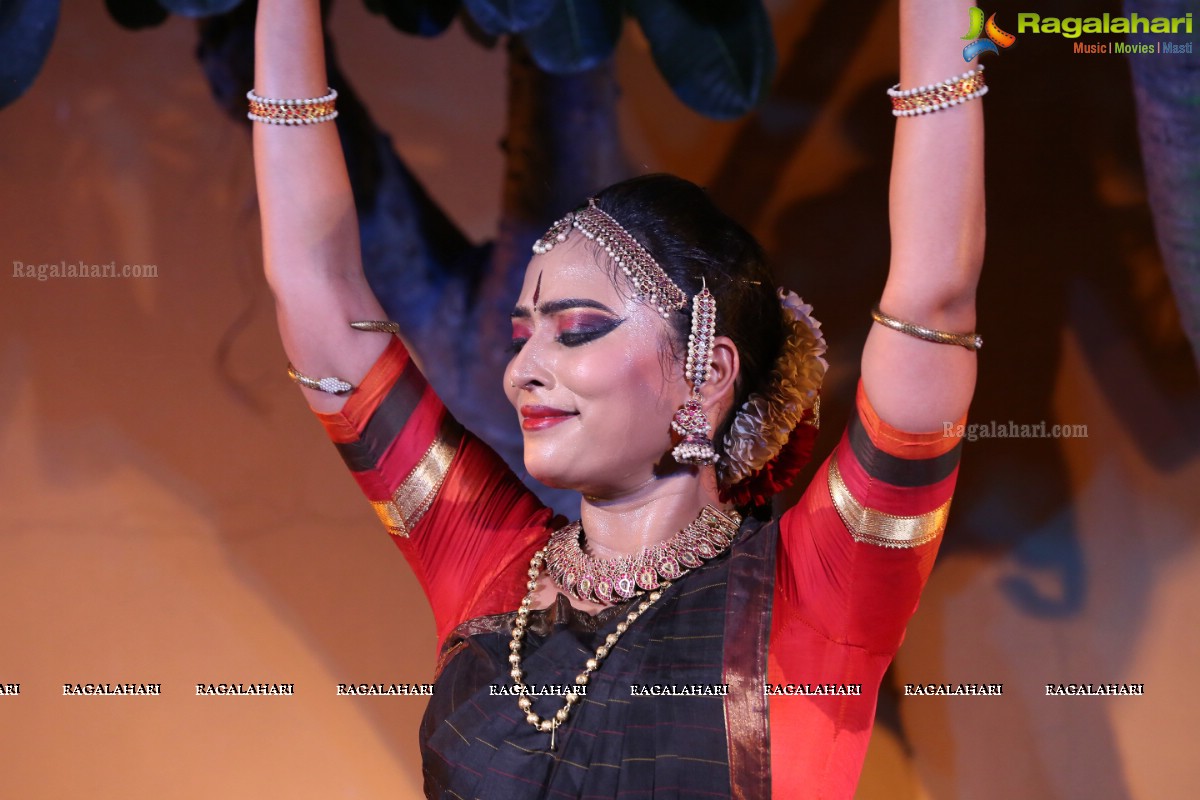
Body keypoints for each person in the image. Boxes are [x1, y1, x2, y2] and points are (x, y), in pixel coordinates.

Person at [250, 0, 985, 796]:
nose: (521, 370)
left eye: (576, 331)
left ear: (706, 373)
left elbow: (933, 301)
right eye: (522, 335)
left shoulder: (820, 588)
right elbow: (315, 290)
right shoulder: (489, 567)